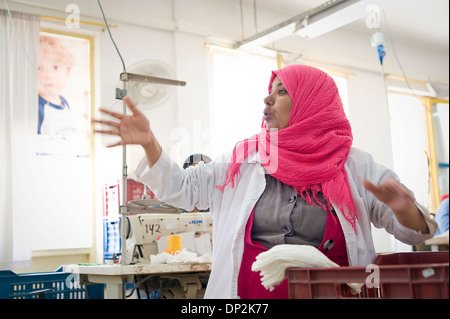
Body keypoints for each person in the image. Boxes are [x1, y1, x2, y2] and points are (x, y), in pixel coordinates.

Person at [94, 64, 437, 299]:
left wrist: (403, 208)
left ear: (311, 104)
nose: (267, 98)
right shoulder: (243, 159)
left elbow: (415, 232)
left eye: (282, 91)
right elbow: (182, 189)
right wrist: (150, 142)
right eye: (269, 91)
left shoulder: (353, 164)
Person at [38, 35, 74, 136]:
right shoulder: (36, 108)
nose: (49, 75)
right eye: (39, 68)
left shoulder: (64, 102)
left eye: (56, 67)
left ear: (67, 72)